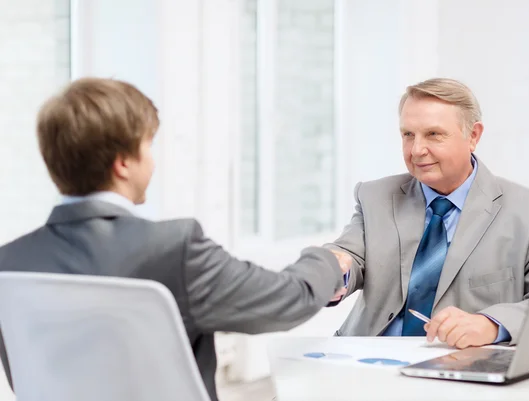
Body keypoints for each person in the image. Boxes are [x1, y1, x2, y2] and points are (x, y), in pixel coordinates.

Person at [0, 78, 350, 401]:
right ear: (123, 164)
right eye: (147, 146)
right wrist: (328, 260)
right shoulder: (174, 249)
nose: (152, 161)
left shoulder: (9, 265)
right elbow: (289, 299)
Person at [326, 78, 529, 348]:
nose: (417, 150)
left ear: (473, 136)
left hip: (460, 369)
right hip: (365, 360)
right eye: (408, 134)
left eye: (433, 134)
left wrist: (492, 324)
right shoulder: (375, 197)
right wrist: (333, 271)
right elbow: (349, 257)